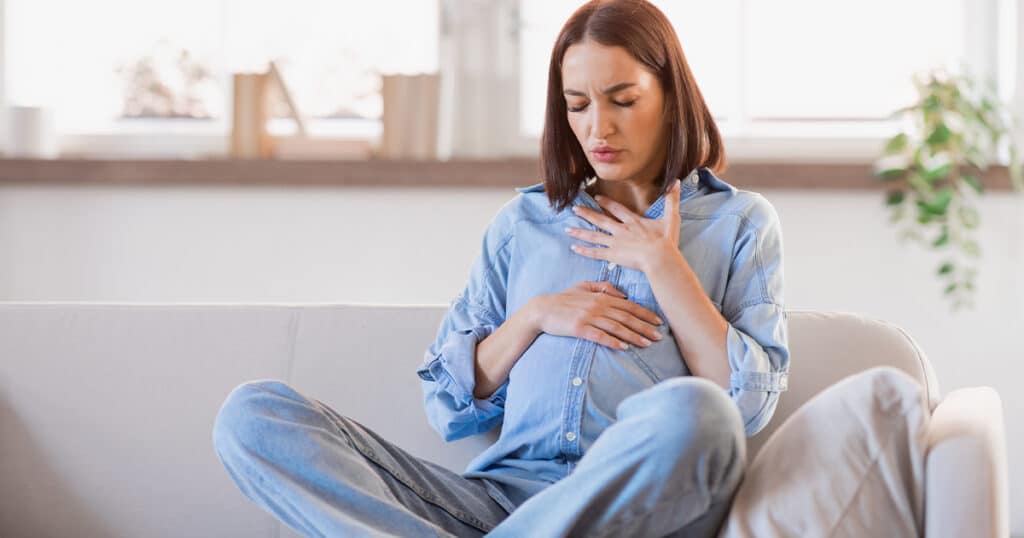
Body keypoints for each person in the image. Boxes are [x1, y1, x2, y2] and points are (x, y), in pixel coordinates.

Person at [212, 1, 928, 536]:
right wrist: (535, 316)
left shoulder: (741, 223)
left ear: (671, 94)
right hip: (494, 501)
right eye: (578, 105)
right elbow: (448, 402)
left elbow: (743, 405)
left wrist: (662, 263)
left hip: (631, 500)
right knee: (253, 415)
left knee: (697, 415)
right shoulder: (522, 224)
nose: (598, 129)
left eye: (623, 101)